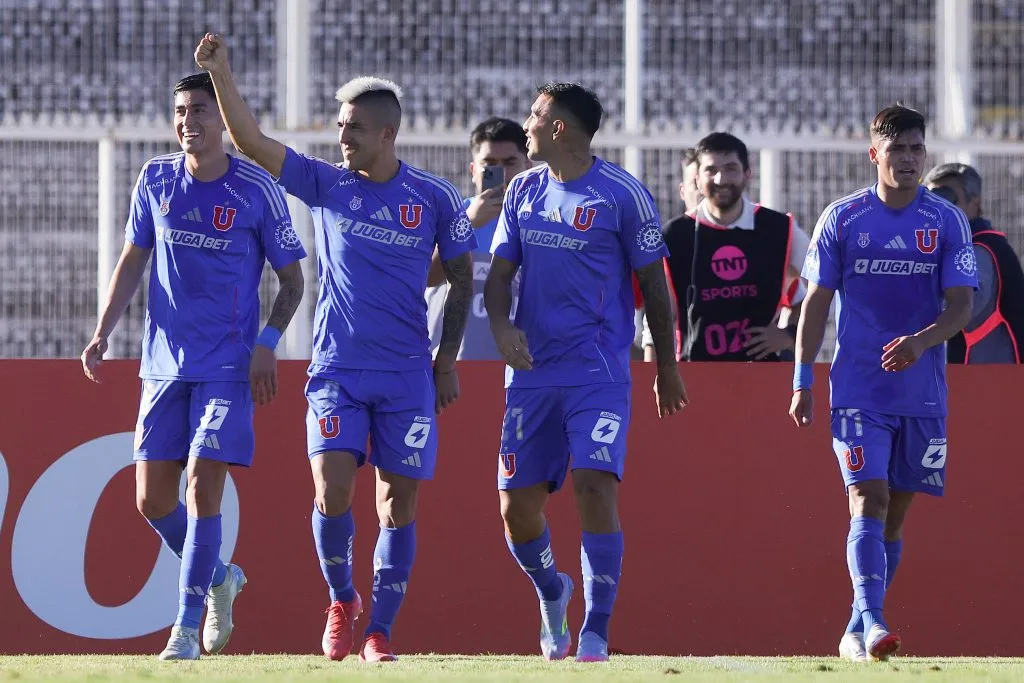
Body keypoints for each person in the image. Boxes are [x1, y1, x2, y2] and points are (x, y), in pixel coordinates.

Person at [194, 34, 476, 662]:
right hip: (336, 372)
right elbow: (252, 145)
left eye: (355, 129)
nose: (343, 138)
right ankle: (343, 600)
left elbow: (461, 275)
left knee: (398, 502)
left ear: (388, 135)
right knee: (332, 490)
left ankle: (381, 630)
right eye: (341, 126)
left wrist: (446, 358)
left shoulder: (432, 198)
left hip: (406, 375)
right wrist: (220, 74)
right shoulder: (327, 184)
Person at [81, 72, 307, 660]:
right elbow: (133, 258)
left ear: (224, 121)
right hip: (162, 365)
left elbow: (292, 281)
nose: (188, 121)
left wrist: (267, 343)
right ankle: (220, 579)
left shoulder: (256, 188)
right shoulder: (155, 179)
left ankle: (184, 626)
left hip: (228, 367)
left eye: (201, 110)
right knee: (153, 500)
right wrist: (103, 330)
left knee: (203, 480)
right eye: (180, 110)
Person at [485, 82, 687, 663]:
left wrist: (664, 366)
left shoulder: (623, 195)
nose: (525, 122)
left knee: (594, 486)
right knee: (516, 509)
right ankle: (554, 592)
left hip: (598, 371)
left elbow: (655, 286)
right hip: (531, 374)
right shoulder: (522, 189)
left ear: (560, 128)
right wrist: (501, 329)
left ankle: (597, 630)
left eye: (534, 114)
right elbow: (499, 276)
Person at [790, 105, 976, 662]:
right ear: (876, 154)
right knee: (866, 497)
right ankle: (874, 623)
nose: (910, 159)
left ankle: (855, 626)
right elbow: (816, 305)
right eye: (898, 150)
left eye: (917, 149)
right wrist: (803, 379)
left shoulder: (945, 221)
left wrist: (922, 340)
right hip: (858, 390)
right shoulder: (842, 218)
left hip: (921, 393)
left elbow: (962, 306)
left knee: (895, 513)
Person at [656, 132, 809, 362]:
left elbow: (822, 287)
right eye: (711, 170)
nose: (720, 179)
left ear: (747, 175)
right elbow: (658, 315)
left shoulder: (780, 228)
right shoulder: (674, 235)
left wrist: (789, 334)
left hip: (761, 375)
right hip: (693, 376)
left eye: (731, 169)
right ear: (697, 178)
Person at [424, 117, 530, 359]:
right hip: (451, 371)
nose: (500, 173)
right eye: (489, 164)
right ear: (473, 170)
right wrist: (466, 225)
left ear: (528, 166)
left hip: (519, 369)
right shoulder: (447, 218)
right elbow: (426, 277)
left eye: (509, 163)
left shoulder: (539, 227)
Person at [924, 163, 1024, 363]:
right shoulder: (967, 247)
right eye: (932, 200)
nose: (941, 210)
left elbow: (963, 304)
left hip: (988, 384)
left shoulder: (979, 250)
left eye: (949, 199)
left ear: (975, 205)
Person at [642, 147, 701, 361]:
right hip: (684, 364)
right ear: (683, 191)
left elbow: (799, 294)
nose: (704, 190)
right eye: (696, 184)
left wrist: (786, 333)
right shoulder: (670, 239)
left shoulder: (753, 235)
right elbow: (656, 315)